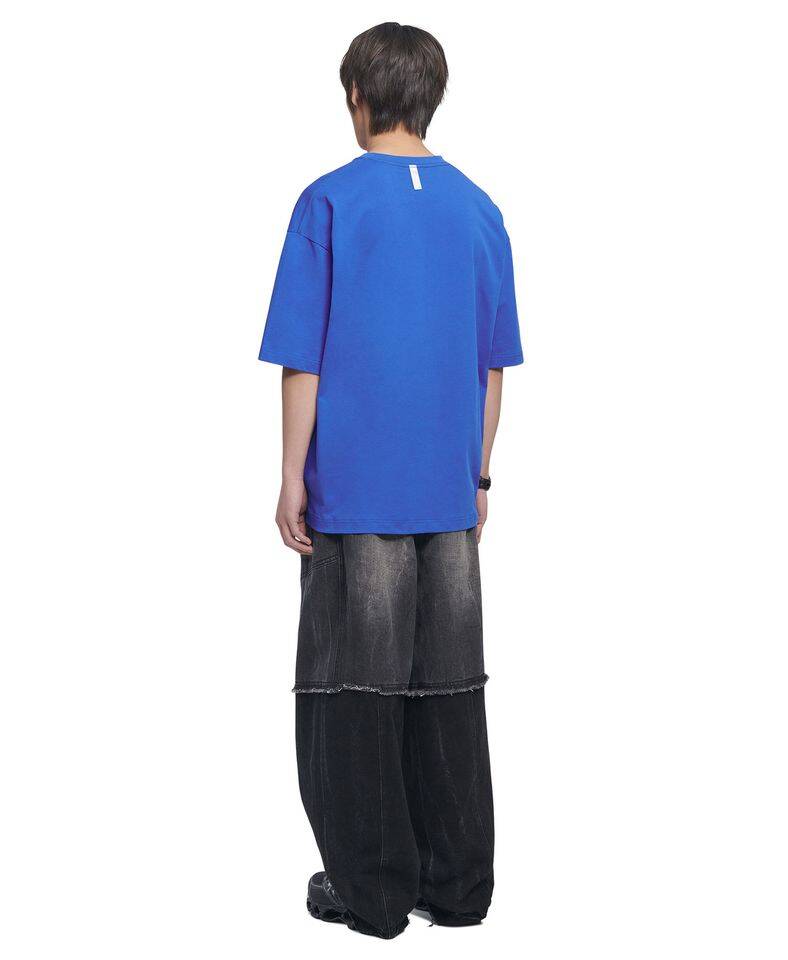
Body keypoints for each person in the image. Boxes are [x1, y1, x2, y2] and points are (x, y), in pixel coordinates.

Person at [258, 21, 523, 939]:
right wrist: (478, 475)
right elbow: (493, 366)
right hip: (448, 492)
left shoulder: (329, 203)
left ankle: (369, 891)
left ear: (357, 97)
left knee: (354, 690)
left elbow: (303, 358)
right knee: (449, 686)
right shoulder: (480, 209)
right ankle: (457, 886)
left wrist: (291, 474)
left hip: (357, 491)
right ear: (431, 98)